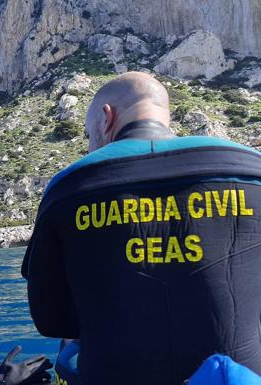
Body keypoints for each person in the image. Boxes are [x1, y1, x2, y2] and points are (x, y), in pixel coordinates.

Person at [21, 72, 261, 385]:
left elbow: (51, 319)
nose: (91, 144)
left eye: (88, 134)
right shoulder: (250, 168)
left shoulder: (69, 186)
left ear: (107, 117)